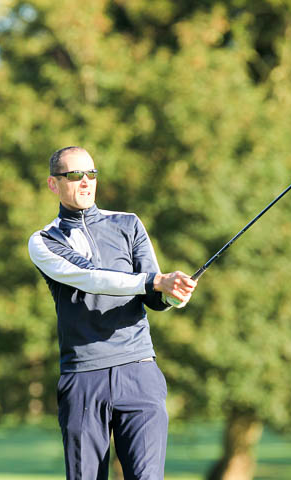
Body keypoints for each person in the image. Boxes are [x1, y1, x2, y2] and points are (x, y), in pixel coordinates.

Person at [28, 146, 197, 479]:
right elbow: (90, 278)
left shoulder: (128, 224)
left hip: (139, 371)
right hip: (83, 378)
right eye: (75, 175)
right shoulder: (44, 240)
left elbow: (154, 297)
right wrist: (155, 281)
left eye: (91, 174)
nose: (86, 182)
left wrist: (174, 294)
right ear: (53, 184)